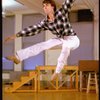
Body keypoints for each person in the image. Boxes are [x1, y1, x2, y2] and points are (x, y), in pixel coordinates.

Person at [4, 0, 80, 81]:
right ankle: (18, 57)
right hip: (61, 39)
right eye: (43, 6)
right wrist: (16, 35)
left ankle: (57, 71)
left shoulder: (62, 13)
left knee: (66, 46)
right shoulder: (45, 22)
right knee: (42, 45)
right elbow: (32, 29)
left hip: (73, 40)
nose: (44, 7)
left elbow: (68, 1)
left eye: (47, 5)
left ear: (52, 6)